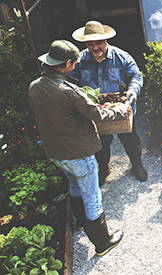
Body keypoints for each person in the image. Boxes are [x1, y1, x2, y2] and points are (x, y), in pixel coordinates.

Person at [29, 40, 127, 256]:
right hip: (78, 154)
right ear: (68, 63)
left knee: (74, 184)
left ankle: (81, 222)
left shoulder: (34, 86)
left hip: (56, 153)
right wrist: (119, 110)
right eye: (74, 62)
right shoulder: (68, 91)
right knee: (92, 195)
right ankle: (103, 242)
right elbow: (97, 114)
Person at [69, 21, 147, 184]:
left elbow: (136, 76)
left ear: (105, 41)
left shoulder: (122, 57)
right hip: (95, 111)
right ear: (86, 43)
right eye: (91, 44)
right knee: (100, 144)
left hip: (121, 109)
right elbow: (70, 81)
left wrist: (132, 93)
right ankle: (104, 168)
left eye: (98, 43)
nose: (95, 47)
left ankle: (137, 164)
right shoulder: (80, 60)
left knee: (130, 139)